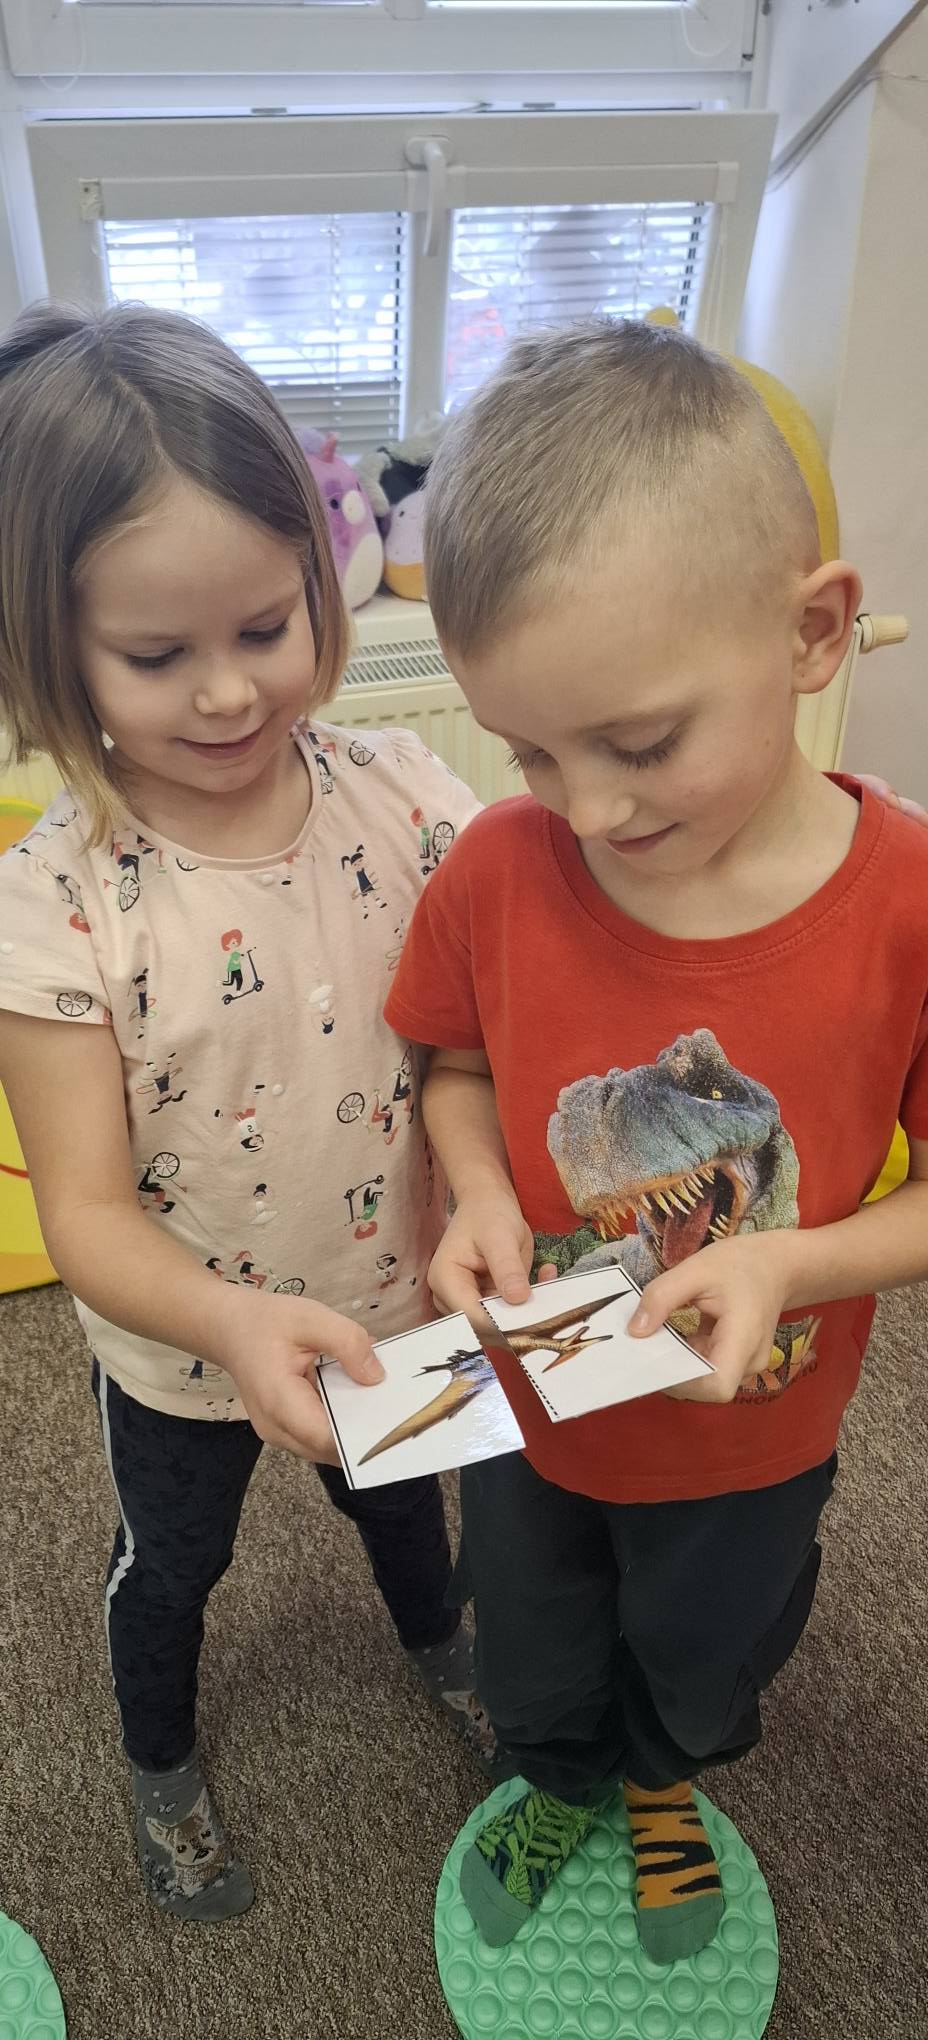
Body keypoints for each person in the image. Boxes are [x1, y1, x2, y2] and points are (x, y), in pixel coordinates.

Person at [384, 319, 928, 1965]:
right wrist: (480, 1190)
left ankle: (667, 1785)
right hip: (534, 1404)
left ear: (814, 632)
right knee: (533, 1636)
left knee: (706, 1646)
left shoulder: (907, 904)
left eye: (636, 745)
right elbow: (454, 1061)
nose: (591, 809)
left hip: (757, 1435)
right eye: (531, 751)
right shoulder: (500, 864)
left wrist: (792, 1264)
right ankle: (558, 1774)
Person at [0, 301, 487, 1925]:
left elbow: (473, 1045)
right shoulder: (55, 905)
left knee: (407, 1513)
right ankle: (159, 1761)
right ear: (49, 650)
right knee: (173, 1568)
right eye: (156, 657)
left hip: (393, 1307)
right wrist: (231, 1321)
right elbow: (81, 1215)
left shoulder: (412, 799)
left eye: (266, 626)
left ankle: (441, 1646)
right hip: (185, 1353)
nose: (226, 693)